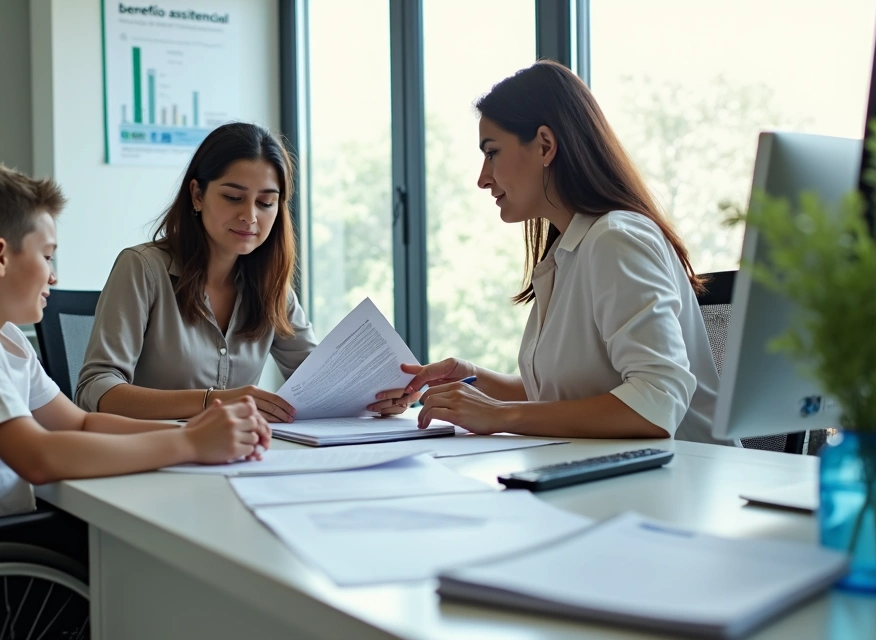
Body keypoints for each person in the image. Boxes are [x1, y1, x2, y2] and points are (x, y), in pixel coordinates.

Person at [0, 158, 272, 529]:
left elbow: (80, 423)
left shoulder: (3, 340)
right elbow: (39, 457)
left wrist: (193, 433)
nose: (53, 277)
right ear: (0, 256)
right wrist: (188, 444)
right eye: (47, 256)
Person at [372, 61, 731, 445]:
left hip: (688, 483)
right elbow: (561, 398)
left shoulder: (616, 239)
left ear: (545, 144)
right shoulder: (569, 249)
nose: (482, 177)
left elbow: (657, 402)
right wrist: (470, 378)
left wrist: (498, 415)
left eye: (491, 152)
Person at [78, 123, 402, 422]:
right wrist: (212, 401)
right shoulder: (142, 268)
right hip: (151, 457)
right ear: (197, 194)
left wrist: (379, 397)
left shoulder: (270, 286)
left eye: (265, 203)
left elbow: (318, 380)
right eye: (233, 197)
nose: (249, 216)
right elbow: (96, 390)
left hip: (236, 456)